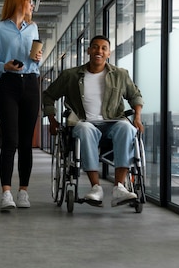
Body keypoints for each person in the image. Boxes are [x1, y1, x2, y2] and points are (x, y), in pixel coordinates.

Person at [42, 35, 144, 207]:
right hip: (85, 123)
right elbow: (48, 96)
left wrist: (138, 117)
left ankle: (119, 187)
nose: (99, 51)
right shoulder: (71, 76)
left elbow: (135, 96)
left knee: (126, 128)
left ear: (108, 53)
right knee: (84, 128)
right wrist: (52, 120)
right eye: (95, 47)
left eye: (104, 48)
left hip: (113, 122)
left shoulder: (120, 75)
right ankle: (95, 187)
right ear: (89, 51)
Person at [0, 0, 42, 210]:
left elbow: (35, 60)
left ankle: (23, 192)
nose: (32, 5)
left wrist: (38, 57)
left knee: (26, 142)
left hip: (30, 84)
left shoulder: (33, 28)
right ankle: (6, 193)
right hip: (8, 83)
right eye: (29, 1)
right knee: (10, 140)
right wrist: (4, 65)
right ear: (19, 1)